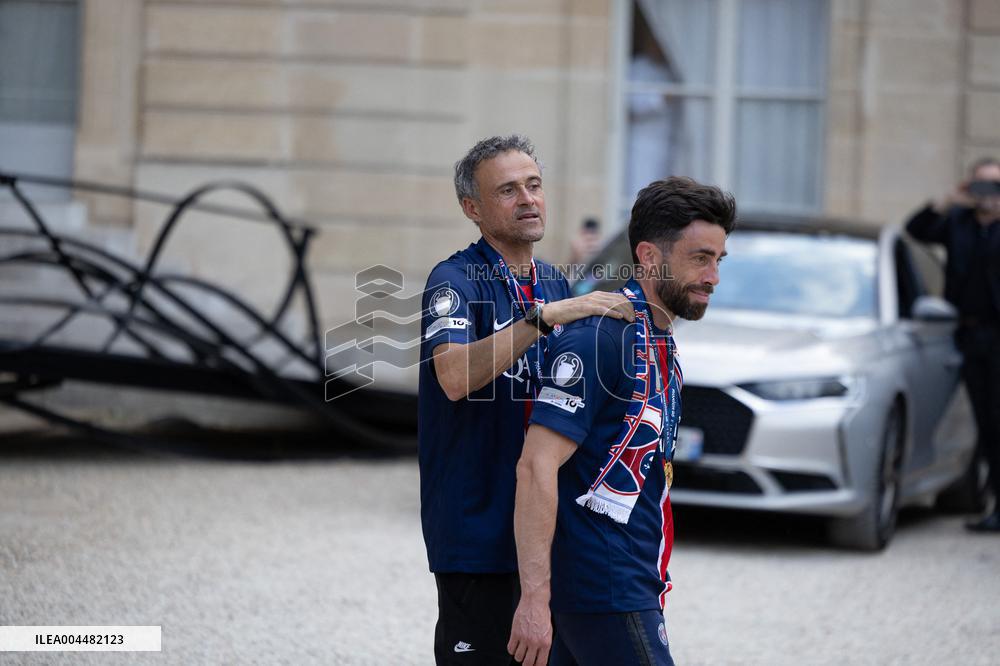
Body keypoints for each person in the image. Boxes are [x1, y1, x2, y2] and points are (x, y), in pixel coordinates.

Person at [419, 134, 635, 665]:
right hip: (476, 535)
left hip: (545, 534)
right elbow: (452, 375)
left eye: (534, 186)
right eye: (508, 190)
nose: (528, 200)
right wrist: (544, 319)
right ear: (473, 208)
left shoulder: (555, 282)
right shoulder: (454, 280)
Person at [508, 177, 736, 666]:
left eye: (719, 260)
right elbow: (535, 467)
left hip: (627, 581)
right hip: (605, 589)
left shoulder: (658, 341)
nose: (713, 276)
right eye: (700, 258)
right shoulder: (601, 339)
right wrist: (533, 599)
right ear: (650, 256)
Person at [906, 157, 1000, 533]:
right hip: (964, 333)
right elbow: (916, 229)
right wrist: (947, 200)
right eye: (982, 185)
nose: (989, 195)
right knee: (981, 421)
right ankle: (980, 497)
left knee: (997, 423)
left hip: (998, 335)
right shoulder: (958, 222)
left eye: (997, 186)